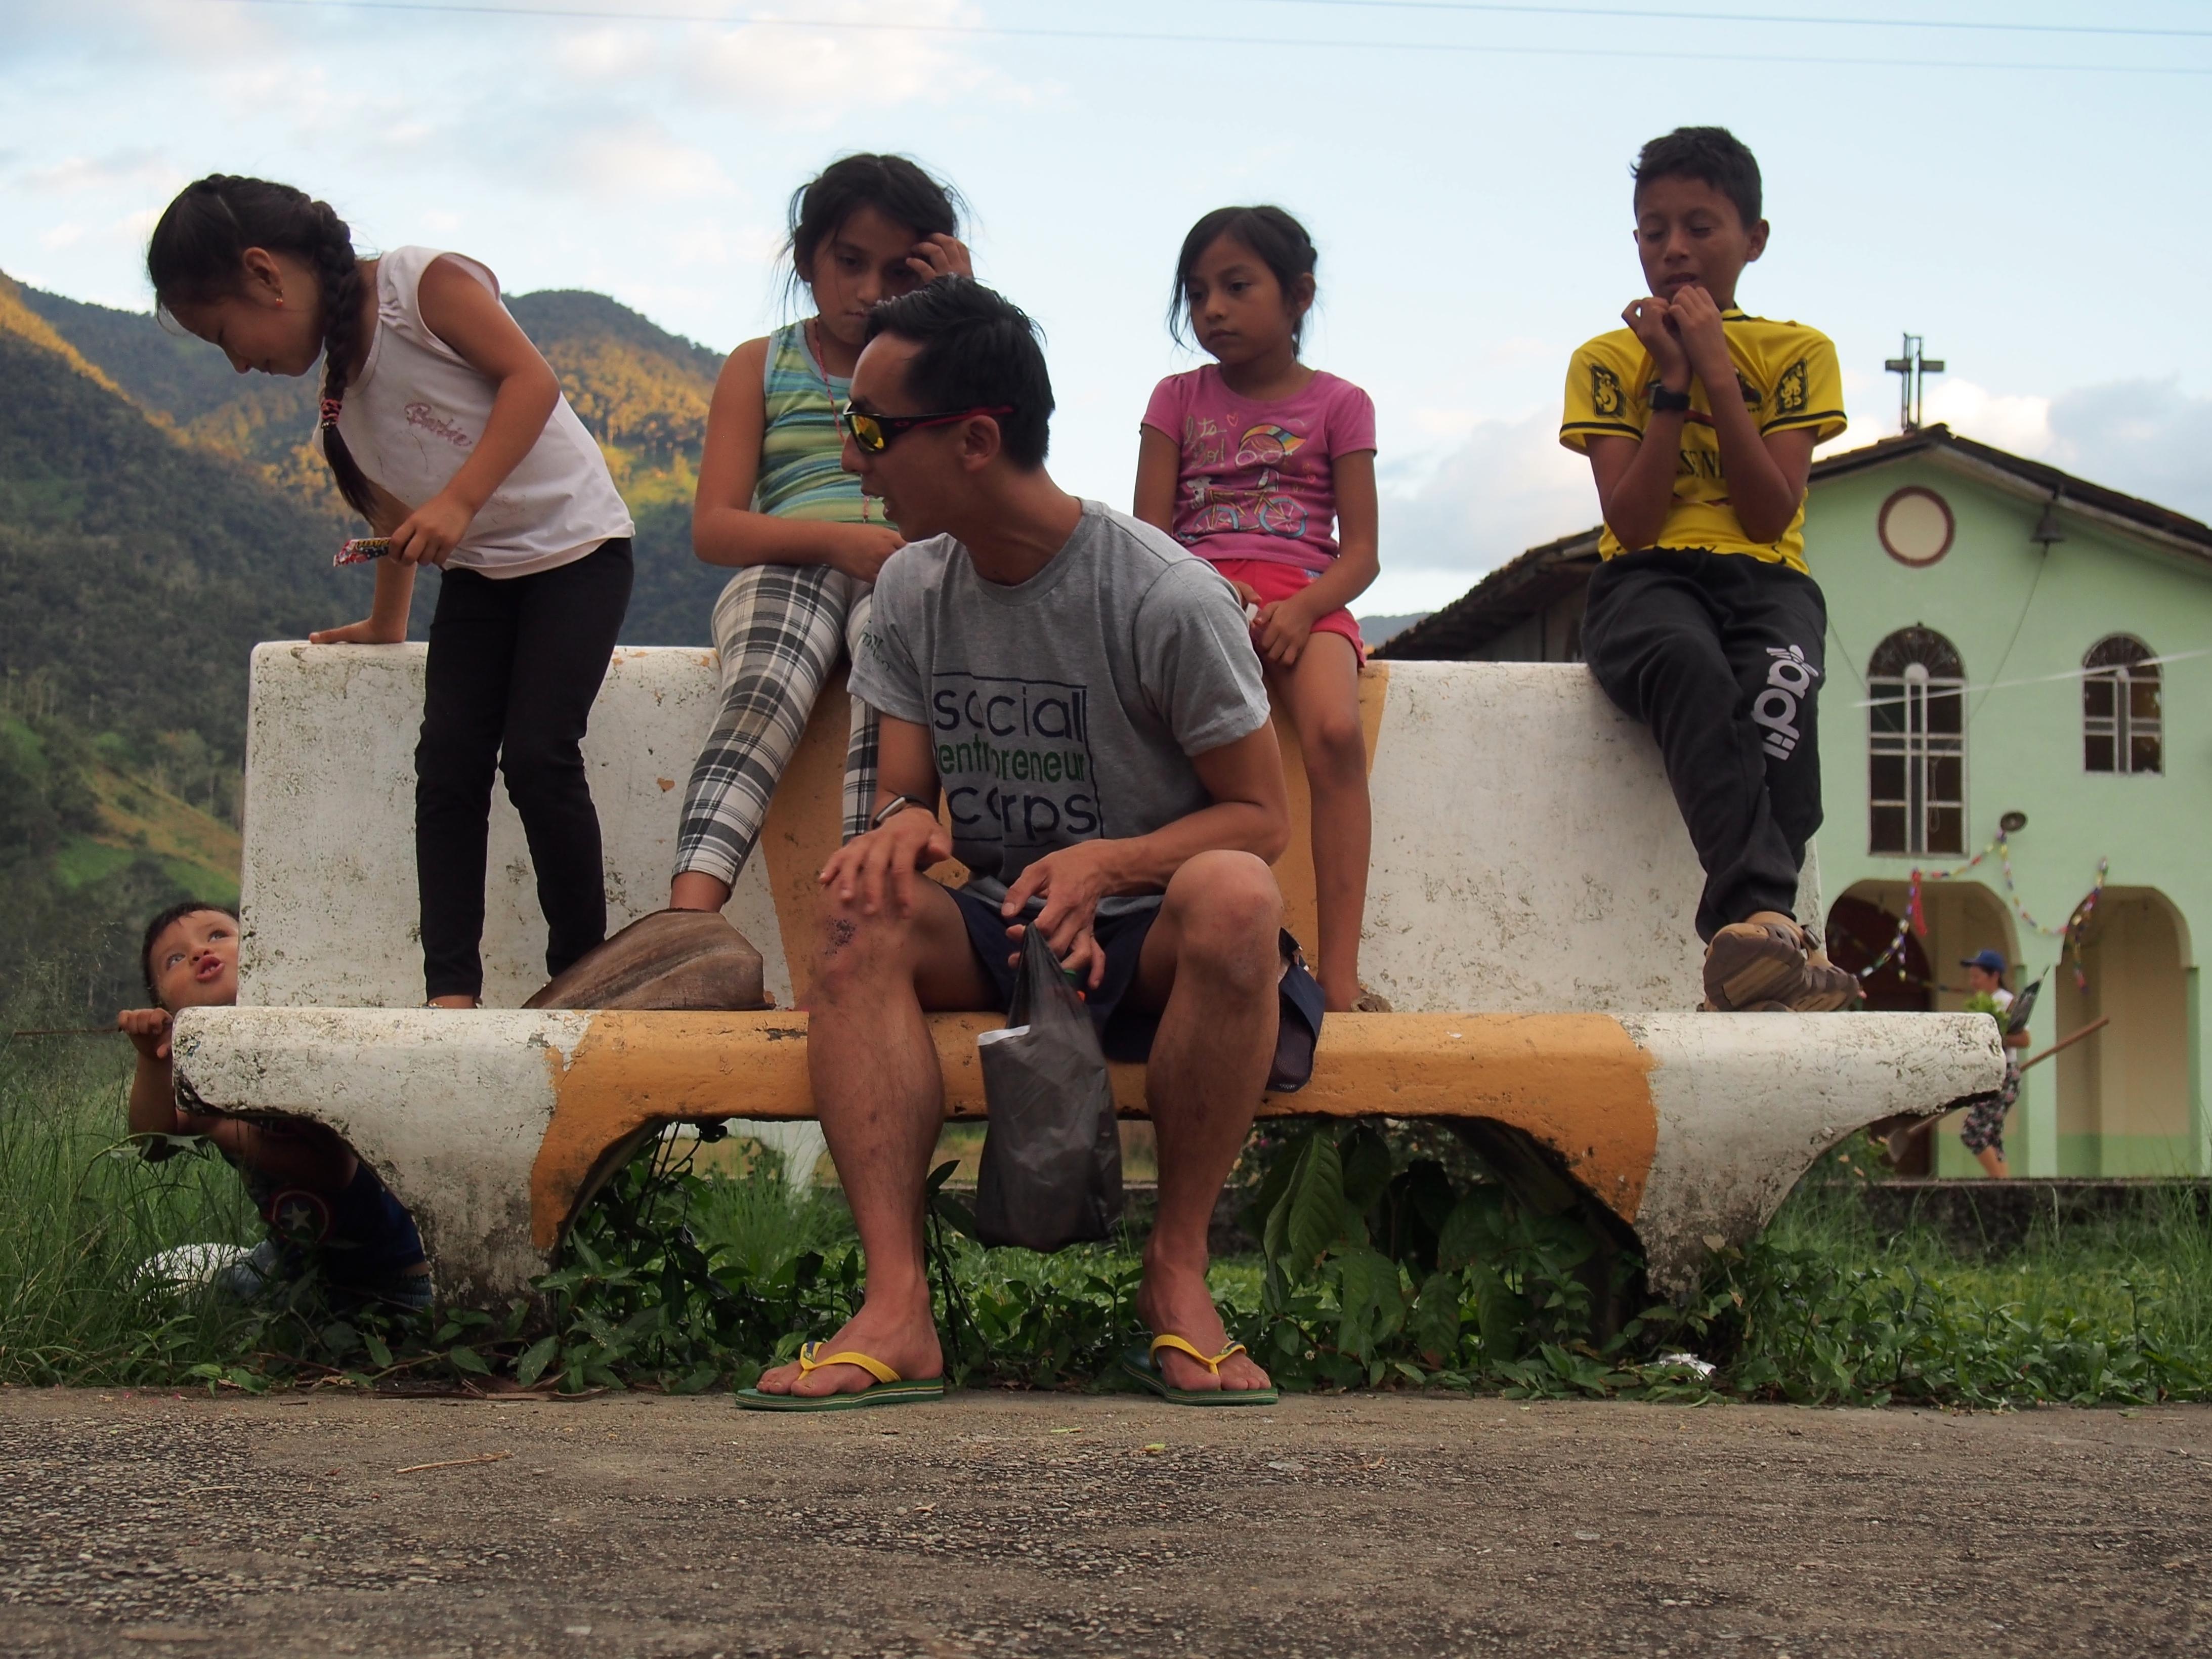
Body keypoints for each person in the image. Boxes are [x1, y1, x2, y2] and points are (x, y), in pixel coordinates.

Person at [739, 279, 1293, 1410]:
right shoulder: (910, 585)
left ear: (977, 439)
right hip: (1005, 923)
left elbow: (1260, 818)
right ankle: (895, 1308)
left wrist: (1113, 862)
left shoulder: (1162, 597)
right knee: (856, 911)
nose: (855, 463)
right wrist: (902, 828)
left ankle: (1176, 1279)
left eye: (872, 431)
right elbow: (905, 788)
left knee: (1236, 895)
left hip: (1145, 942)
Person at [147, 176, 636, 1008]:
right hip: (483, 575)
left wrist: (459, 503)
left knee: (537, 754)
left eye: (225, 333)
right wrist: (387, 621)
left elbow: (532, 382)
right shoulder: (341, 402)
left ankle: (583, 974)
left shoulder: (418, 286)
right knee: (445, 766)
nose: (237, 362)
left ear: (265, 273)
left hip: (577, 551)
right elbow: (398, 519)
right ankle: (450, 988)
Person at [1559, 127, 1856, 1013]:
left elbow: (1770, 513)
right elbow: (1634, 521)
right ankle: (1769, 922)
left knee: (1780, 686)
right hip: (1644, 585)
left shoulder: (1799, 352)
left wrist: (1721, 371)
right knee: (1688, 663)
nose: (1674, 249)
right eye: (1653, 231)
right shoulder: (1606, 362)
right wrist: (1672, 384)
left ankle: (1764, 941)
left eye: (1699, 226)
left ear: (1753, 238)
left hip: (1766, 580)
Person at [668, 155, 971, 921]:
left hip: (905, 568)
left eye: (899, 272)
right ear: (808, 261)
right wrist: (838, 543)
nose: (870, 292)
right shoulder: (759, 365)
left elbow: (983, 474)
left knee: (889, 699)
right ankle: (688, 920)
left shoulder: (936, 372)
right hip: (788, 563)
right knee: (765, 689)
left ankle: (864, 927)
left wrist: (962, 312)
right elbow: (716, 526)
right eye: (848, 262)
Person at [1133, 205, 1383, 1013]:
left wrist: (1304, 609)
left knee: (1337, 733)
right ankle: (1179, 958)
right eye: (1198, 291)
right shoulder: (1176, 398)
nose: (1212, 308)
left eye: (1237, 287)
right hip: (1197, 592)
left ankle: (1339, 977)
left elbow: (1363, 554)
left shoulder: (1342, 404)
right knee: (1181, 762)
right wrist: (1211, 590)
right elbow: (1147, 537)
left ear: (1299, 294)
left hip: (1308, 596)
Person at [120, 903, 432, 1308]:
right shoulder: (206, 1066)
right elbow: (152, 1143)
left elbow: (333, 1170)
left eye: (217, 935)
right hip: (297, 1265)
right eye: (174, 959)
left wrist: (217, 1127)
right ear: (161, 1002)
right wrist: (151, 1059)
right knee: (160, 1292)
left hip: (391, 1280)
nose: (199, 952)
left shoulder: (300, 1038)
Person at [1958, 948, 2031, 1178]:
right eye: (1972, 977)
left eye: (1977, 976)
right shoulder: (1983, 1004)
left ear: (1994, 976)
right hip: (1988, 1076)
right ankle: (2004, 1187)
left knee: (1973, 1132)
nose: (1973, 982)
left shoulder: (2006, 1003)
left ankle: (1998, 1183)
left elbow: (2024, 1039)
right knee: (1992, 1137)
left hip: (2003, 1076)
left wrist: (1993, 1037)